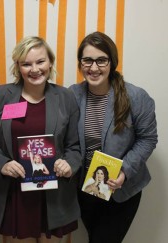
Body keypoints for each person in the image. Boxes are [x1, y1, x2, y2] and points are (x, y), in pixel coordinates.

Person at [0, 36, 82, 243]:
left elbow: (74, 146)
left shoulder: (66, 97)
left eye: (40, 62)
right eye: (26, 64)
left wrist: (69, 164)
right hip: (14, 192)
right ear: (18, 67)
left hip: (55, 194)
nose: (34, 69)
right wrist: (3, 164)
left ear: (50, 62)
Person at [69, 31, 158, 243]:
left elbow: (148, 139)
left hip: (122, 190)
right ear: (80, 63)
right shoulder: (73, 94)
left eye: (101, 60)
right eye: (87, 60)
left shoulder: (136, 97)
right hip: (88, 188)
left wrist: (124, 172)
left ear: (112, 62)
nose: (93, 67)